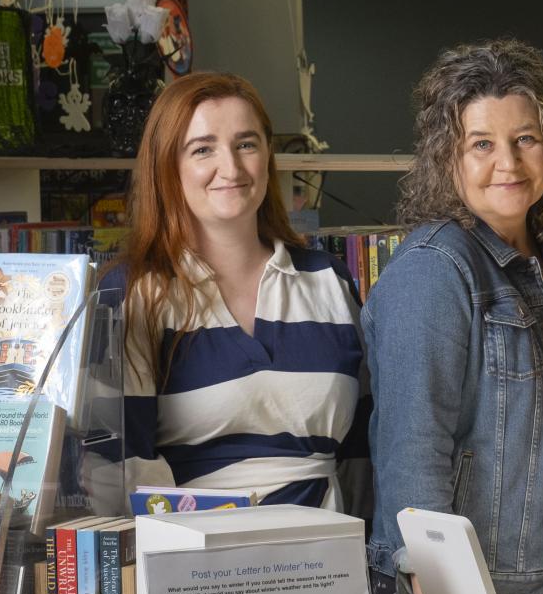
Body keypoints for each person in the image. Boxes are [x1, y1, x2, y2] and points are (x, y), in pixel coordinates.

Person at [366, 41, 543, 594]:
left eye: (525, 138)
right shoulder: (433, 270)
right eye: (482, 144)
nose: (509, 161)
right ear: (446, 158)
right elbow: (413, 451)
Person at [113, 72, 368, 510]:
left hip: (332, 561)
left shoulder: (332, 280)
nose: (230, 169)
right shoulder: (137, 295)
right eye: (202, 149)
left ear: (267, 156)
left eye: (246, 144)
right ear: (166, 166)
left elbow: (363, 455)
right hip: (199, 565)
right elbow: (128, 469)